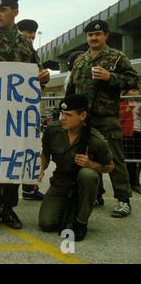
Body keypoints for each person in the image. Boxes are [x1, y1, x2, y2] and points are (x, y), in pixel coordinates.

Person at [0, 0, 50, 230]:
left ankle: (9, 209)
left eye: (3, 10)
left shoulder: (25, 43)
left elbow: (36, 74)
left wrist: (44, 77)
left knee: (13, 161)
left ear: (15, 12)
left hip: (17, 117)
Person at [65, 19, 138, 217]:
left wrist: (110, 77)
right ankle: (96, 194)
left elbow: (132, 80)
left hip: (106, 117)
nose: (94, 38)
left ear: (106, 35)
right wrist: (65, 111)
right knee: (85, 156)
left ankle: (123, 199)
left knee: (114, 158)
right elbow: (71, 88)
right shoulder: (80, 60)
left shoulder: (116, 57)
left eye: (98, 34)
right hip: (83, 119)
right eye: (90, 35)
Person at [38, 94, 114, 241]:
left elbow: (110, 166)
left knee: (88, 174)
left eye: (68, 115)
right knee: (46, 223)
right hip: (60, 182)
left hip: (83, 184)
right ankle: (70, 211)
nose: (63, 118)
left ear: (83, 115)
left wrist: (91, 164)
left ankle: (81, 222)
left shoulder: (96, 140)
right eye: (62, 114)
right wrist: (41, 167)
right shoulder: (53, 130)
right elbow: (45, 153)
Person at [17, 18, 45, 201]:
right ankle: (2, 194)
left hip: (26, 112)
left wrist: (45, 77)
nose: (32, 35)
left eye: (34, 32)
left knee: (28, 150)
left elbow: (40, 80)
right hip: (6, 112)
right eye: (28, 31)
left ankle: (29, 187)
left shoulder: (32, 54)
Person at [120, 88, 141, 194]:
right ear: (126, 92)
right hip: (128, 134)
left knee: (138, 158)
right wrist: (127, 110)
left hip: (139, 132)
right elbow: (119, 119)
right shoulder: (122, 102)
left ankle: (136, 182)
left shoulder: (139, 102)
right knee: (129, 159)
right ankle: (130, 182)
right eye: (133, 90)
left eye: (137, 91)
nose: (136, 93)